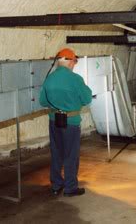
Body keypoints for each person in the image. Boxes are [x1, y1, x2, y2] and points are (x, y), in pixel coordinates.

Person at [39, 48, 93, 197]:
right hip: (71, 122)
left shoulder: (49, 78)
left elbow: (43, 101)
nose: (75, 64)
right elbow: (87, 99)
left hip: (54, 120)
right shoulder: (75, 79)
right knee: (71, 155)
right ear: (69, 61)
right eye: (74, 61)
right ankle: (70, 188)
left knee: (56, 153)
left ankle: (56, 185)